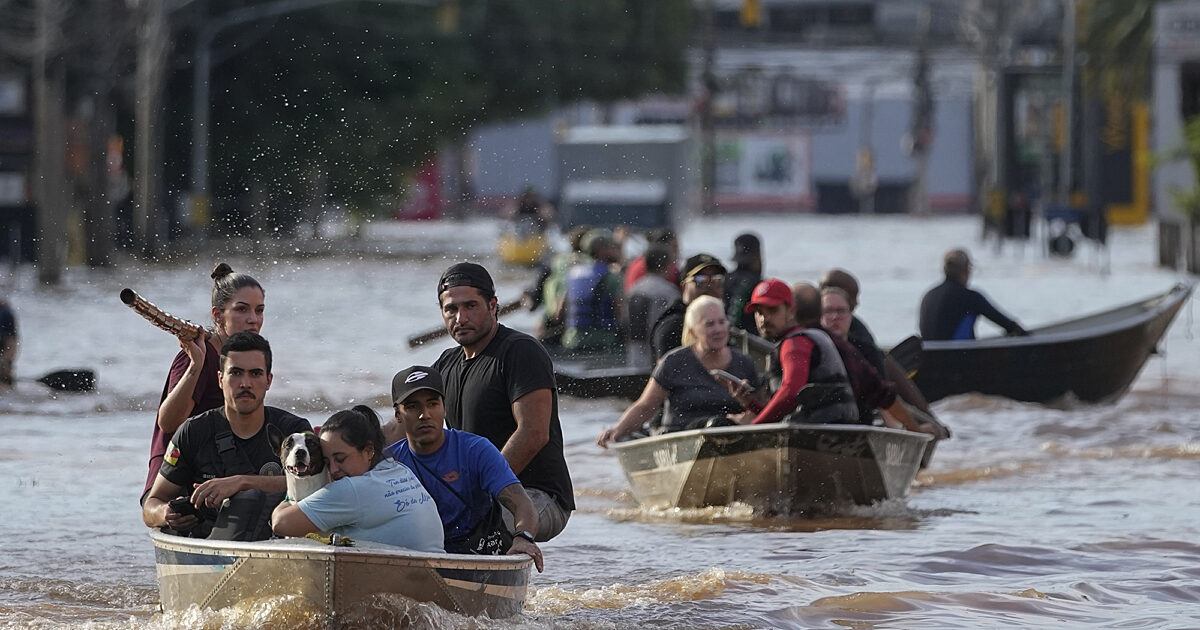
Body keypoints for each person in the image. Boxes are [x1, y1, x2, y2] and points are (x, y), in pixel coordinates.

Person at [434, 262, 574, 541]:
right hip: (478, 496)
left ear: (493, 305)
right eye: (451, 309)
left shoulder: (521, 351)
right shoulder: (445, 364)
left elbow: (533, 433)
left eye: (471, 306)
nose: (461, 317)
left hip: (537, 497)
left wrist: (477, 491)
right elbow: (404, 427)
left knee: (460, 531)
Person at [142, 332, 311, 540]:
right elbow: (152, 504)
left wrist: (241, 483)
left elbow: (315, 486)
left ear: (268, 381)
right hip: (206, 546)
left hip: (277, 544)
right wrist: (165, 513)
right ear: (220, 379)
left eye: (255, 374)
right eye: (236, 373)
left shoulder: (294, 432)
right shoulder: (193, 432)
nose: (245, 383)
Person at [384, 366, 544, 571]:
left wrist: (523, 538)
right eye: (413, 407)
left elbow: (522, 503)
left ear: (444, 408)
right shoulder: (388, 463)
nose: (425, 415)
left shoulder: (476, 450)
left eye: (432, 404)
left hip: (481, 554)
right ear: (398, 415)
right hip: (421, 558)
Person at [142, 263, 265, 503]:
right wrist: (196, 365)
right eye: (242, 310)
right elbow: (167, 423)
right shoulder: (197, 355)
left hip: (217, 468)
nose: (254, 320)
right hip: (174, 474)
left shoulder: (247, 359)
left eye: (259, 311)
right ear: (218, 316)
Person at [272, 405, 445, 553]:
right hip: (440, 568)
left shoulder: (351, 489)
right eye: (327, 462)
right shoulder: (399, 470)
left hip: (413, 578)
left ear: (368, 451)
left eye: (340, 459)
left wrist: (289, 499)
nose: (333, 470)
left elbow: (281, 524)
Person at [598, 295, 758, 445]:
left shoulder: (744, 363)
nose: (718, 329)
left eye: (721, 322)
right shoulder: (674, 362)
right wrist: (616, 430)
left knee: (721, 425)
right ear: (693, 331)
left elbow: (759, 408)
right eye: (709, 324)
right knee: (717, 424)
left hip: (730, 438)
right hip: (680, 439)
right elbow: (645, 406)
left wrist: (748, 418)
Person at [819, 268, 945, 430]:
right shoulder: (810, 337)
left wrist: (924, 417)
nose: (857, 303)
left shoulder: (858, 336)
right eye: (854, 297)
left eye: (841, 311)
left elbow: (881, 381)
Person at [736, 279, 858, 425]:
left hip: (825, 432)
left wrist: (754, 427)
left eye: (773, 311)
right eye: (759, 312)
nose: (764, 319)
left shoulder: (795, 344)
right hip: (829, 428)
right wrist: (750, 403)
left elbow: (791, 392)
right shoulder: (801, 339)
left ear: (791, 311)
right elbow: (783, 412)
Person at [919, 248, 1027, 341]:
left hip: (929, 355)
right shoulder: (970, 297)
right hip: (957, 355)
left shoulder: (929, 295)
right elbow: (1007, 325)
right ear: (966, 271)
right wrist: (1023, 334)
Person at [650, 253, 727, 360]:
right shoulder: (672, 325)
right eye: (701, 281)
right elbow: (668, 368)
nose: (710, 286)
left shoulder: (723, 321)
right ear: (684, 286)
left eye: (716, 280)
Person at [561, 228, 625, 353]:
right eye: (611, 247)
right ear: (602, 250)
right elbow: (621, 314)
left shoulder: (573, 273)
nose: (615, 250)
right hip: (603, 341)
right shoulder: (611, 276)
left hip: (572, 341)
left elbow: (559, 313)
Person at [625, 243, 681, 365]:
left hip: (634, 350)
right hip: (655, 351)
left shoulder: (634, 288)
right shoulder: (669, 292)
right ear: (667, 266)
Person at [724, 233, 762, 334]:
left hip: (724, 334)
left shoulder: (725, 279)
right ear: (758, 256)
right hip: (749, 339)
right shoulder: (759, 286)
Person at [623, 228, 679, 293]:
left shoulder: (638, 263)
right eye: (674, 247)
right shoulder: (642, 266)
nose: (677, 251)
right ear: (661, 247)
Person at [0, 296, 17, 387]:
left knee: (5, 363)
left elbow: (11, 338)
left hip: (6, 341)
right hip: (7, 340)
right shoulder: (6, 312)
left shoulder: (5, 312)